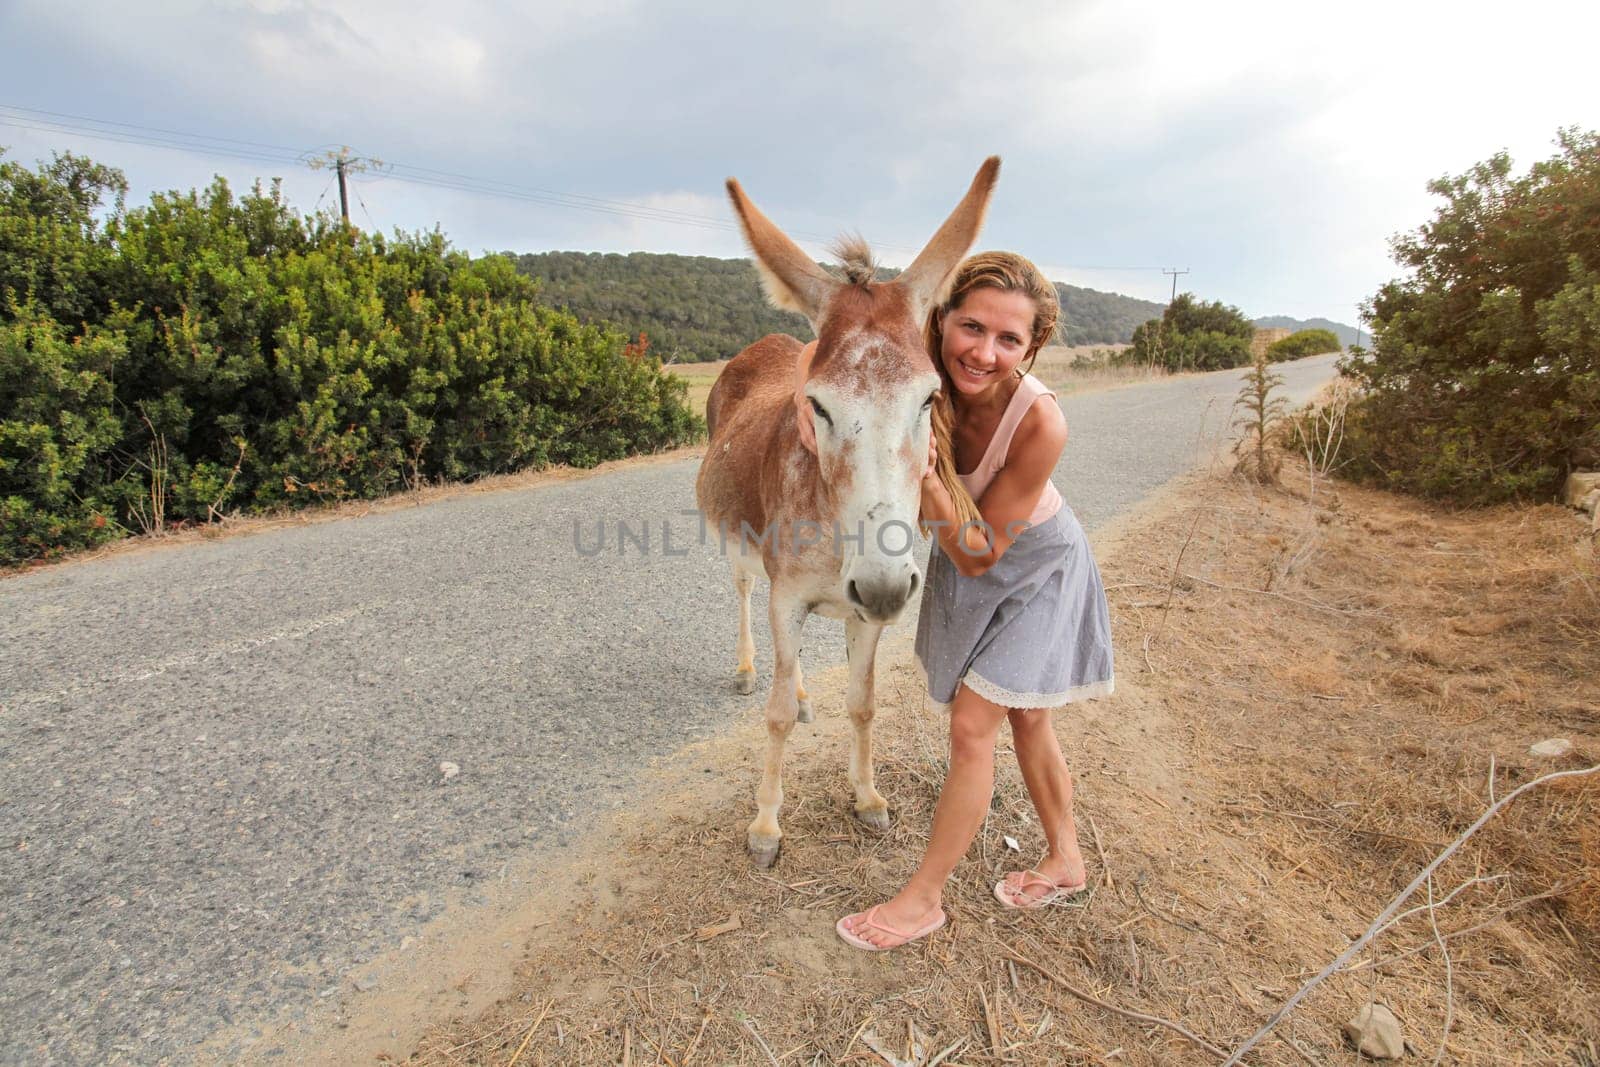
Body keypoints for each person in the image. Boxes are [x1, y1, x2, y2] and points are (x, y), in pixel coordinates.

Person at [793, 251, 1115, 950]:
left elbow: (977, 551)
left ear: (1033, 348)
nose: (984, 352)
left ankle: (923, 899)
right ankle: (1067, 860)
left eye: (1010, 340)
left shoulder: (1040, 422)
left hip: (1035, 565)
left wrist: (930, 478)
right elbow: (831, 365)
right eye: (971, 327)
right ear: (940, 320)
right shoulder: (921, 379)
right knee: (1028, 719)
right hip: (975, 557)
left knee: (974, 725)